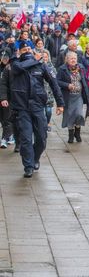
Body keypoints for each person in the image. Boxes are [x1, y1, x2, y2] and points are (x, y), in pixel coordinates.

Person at [3, 40, 64, 178]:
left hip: (37, 106)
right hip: (22, 108)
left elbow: (54, 83)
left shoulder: (41, 65)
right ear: (19, 52)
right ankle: (28, 166)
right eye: (24, 50)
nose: (27, 52)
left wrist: (60, 103)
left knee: (42, 137)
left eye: (29, 49)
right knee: (25, 139)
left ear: (32, 50)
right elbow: (18, 68)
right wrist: (35, 59)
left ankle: (35, 158)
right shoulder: (15, 64)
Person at [56, 51, 89, 144]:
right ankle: (71, 135)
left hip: (79, 96)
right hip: (68, 96)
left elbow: (85, 79)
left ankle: (77, 132)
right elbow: (57, 81)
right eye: (71, 58)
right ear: (67, 59)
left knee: (79, 115)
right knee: (70, 115)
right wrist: (67, 85)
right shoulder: (62, 69)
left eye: (75, 58)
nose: (73, 60)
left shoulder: (81, 67)